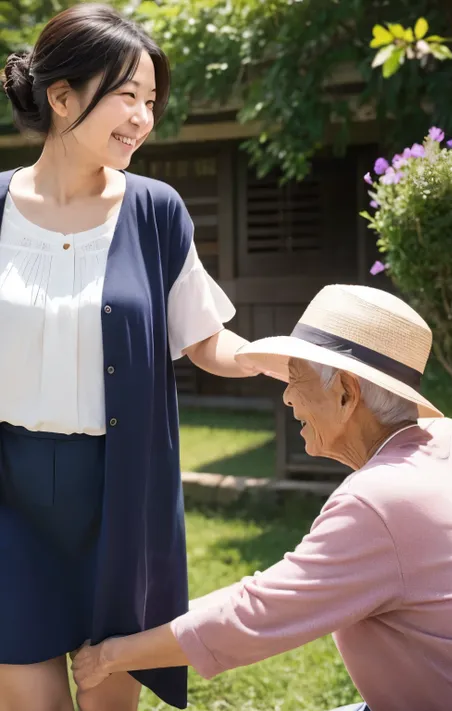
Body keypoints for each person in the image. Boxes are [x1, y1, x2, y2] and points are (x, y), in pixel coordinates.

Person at [0, 5, 259, 711]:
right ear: (61, 98)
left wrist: (268, 357)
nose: (143, 117)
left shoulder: (156, 210)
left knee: (109, 698)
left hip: (120, 504)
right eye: (127, 96)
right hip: (11, 502)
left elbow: (206, 336)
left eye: (151, 101)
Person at [74, 284, 452, 711]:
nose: (286, 396)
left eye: (296, 379)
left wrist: (107, 657)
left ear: (346, 392)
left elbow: (254, 614)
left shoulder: (381, 502)